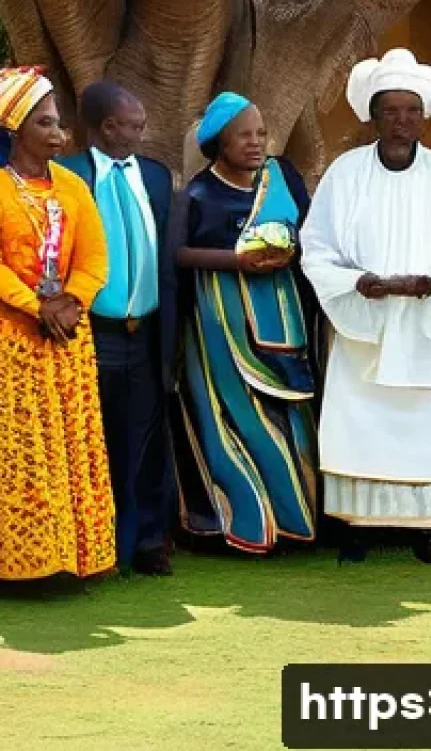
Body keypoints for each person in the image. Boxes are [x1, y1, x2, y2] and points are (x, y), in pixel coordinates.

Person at [301, 49, 431, 565]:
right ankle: (356, 530)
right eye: (391, 110)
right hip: (363, 326)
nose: (402, 121)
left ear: (424, 116)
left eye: (411, 111)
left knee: (427, 427)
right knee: (357, 422)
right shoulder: (344, 173)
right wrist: (356, 281)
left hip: (423, 326)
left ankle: (430, 530)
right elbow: (316, 245)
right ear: (374, 114)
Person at [0, 66, 115, 589]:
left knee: (71, 442)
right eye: (46, 124)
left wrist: (72, 301)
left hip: (67, 336)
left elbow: (94, 258)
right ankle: (24, 565)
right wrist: (36, 305)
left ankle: (77, 557)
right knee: (20, 446)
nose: (59, 133)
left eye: (59, 124)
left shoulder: (72, 184)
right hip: (8, 338)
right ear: (15, 128)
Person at [171, 92, 319, 554]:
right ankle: (249, 521)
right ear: (219, 143)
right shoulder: (197, 193)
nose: (256, 144)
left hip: (284, 311)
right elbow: (178, 254)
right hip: (220, 319)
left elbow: (311, 231)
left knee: (290, 412)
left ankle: (299, 519)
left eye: (261, 134)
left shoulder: (284, 176)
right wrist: (237, 261)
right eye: (244, 136)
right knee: (233, 415)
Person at [60, 82, 175, 576]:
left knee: (145, 439)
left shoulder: (154, 175)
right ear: (107, 127)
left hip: (146, 331)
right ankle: (95, 544)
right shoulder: (68, 176)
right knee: (91, 438)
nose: (142, 133)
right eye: (135, 125)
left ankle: (148, 540)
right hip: (91, 330)